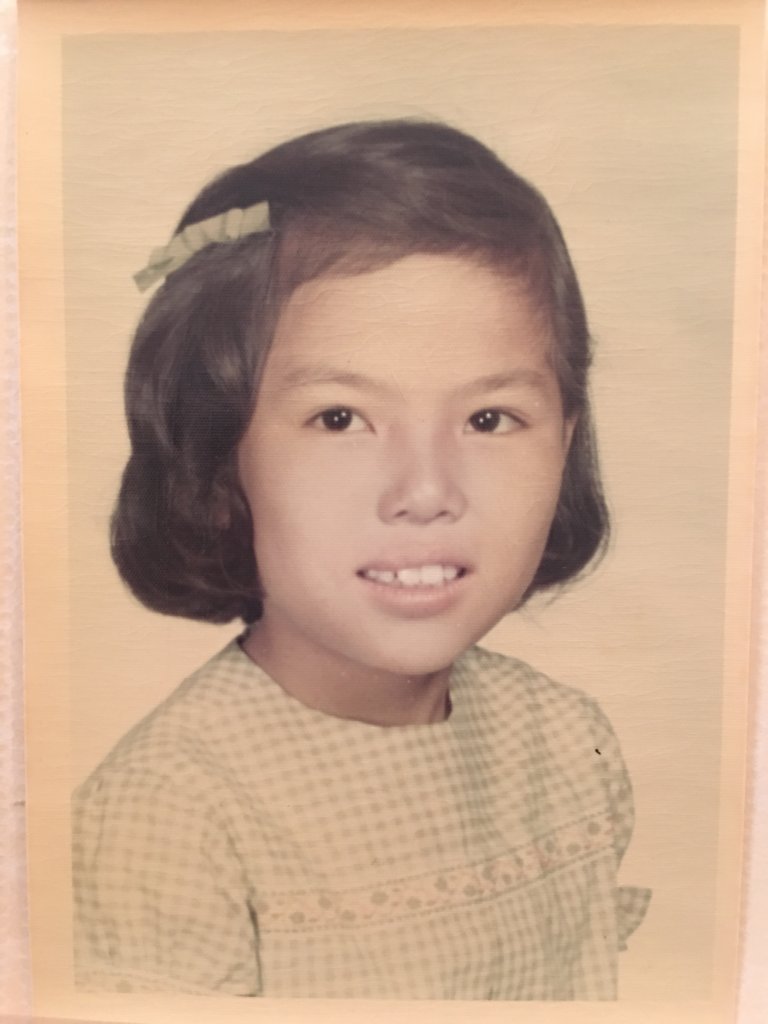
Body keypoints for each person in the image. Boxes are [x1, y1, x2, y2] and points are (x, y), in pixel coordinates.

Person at [72, 119, 650, 999]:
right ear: (219, 461)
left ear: (564, 444)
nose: (426, 491)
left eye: (489, 419)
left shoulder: (568, 743)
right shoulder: (173, 813)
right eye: (340, 419)